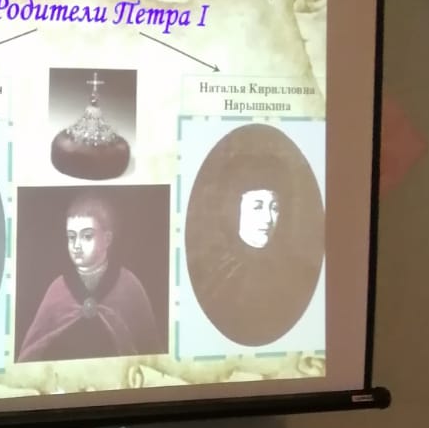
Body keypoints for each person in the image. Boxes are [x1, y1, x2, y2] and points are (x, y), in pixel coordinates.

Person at [186, 141, 323, 346]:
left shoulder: (299, 272)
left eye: (274, 207)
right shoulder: (212, 276)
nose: (268, 219)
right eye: (257, 206)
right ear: (234, 208)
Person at [17, 193, 161, 362]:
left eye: (86, 236)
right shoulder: (58, 288)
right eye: (71, 237)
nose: (76, 245)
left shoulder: (129, 286)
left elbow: (150, 349)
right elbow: (31, 354)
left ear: (107, 239)